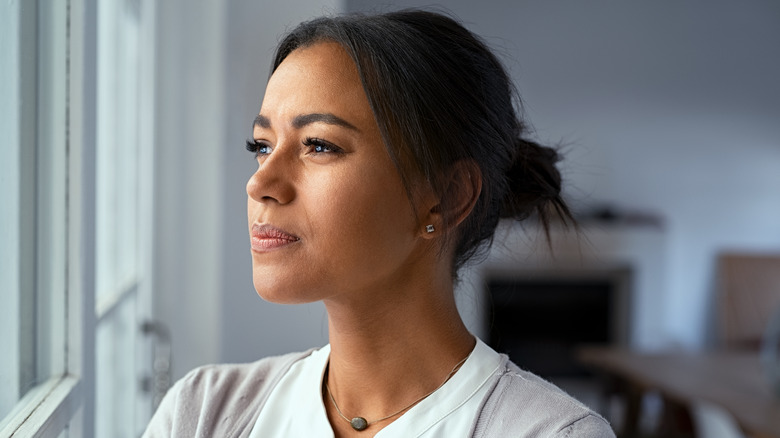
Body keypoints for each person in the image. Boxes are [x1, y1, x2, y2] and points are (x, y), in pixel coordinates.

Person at [143, 9, 615, 438]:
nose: (261, 182)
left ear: (445, 198)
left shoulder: (550, 434)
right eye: (261, 146)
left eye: (319, 145)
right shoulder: (203, 412)